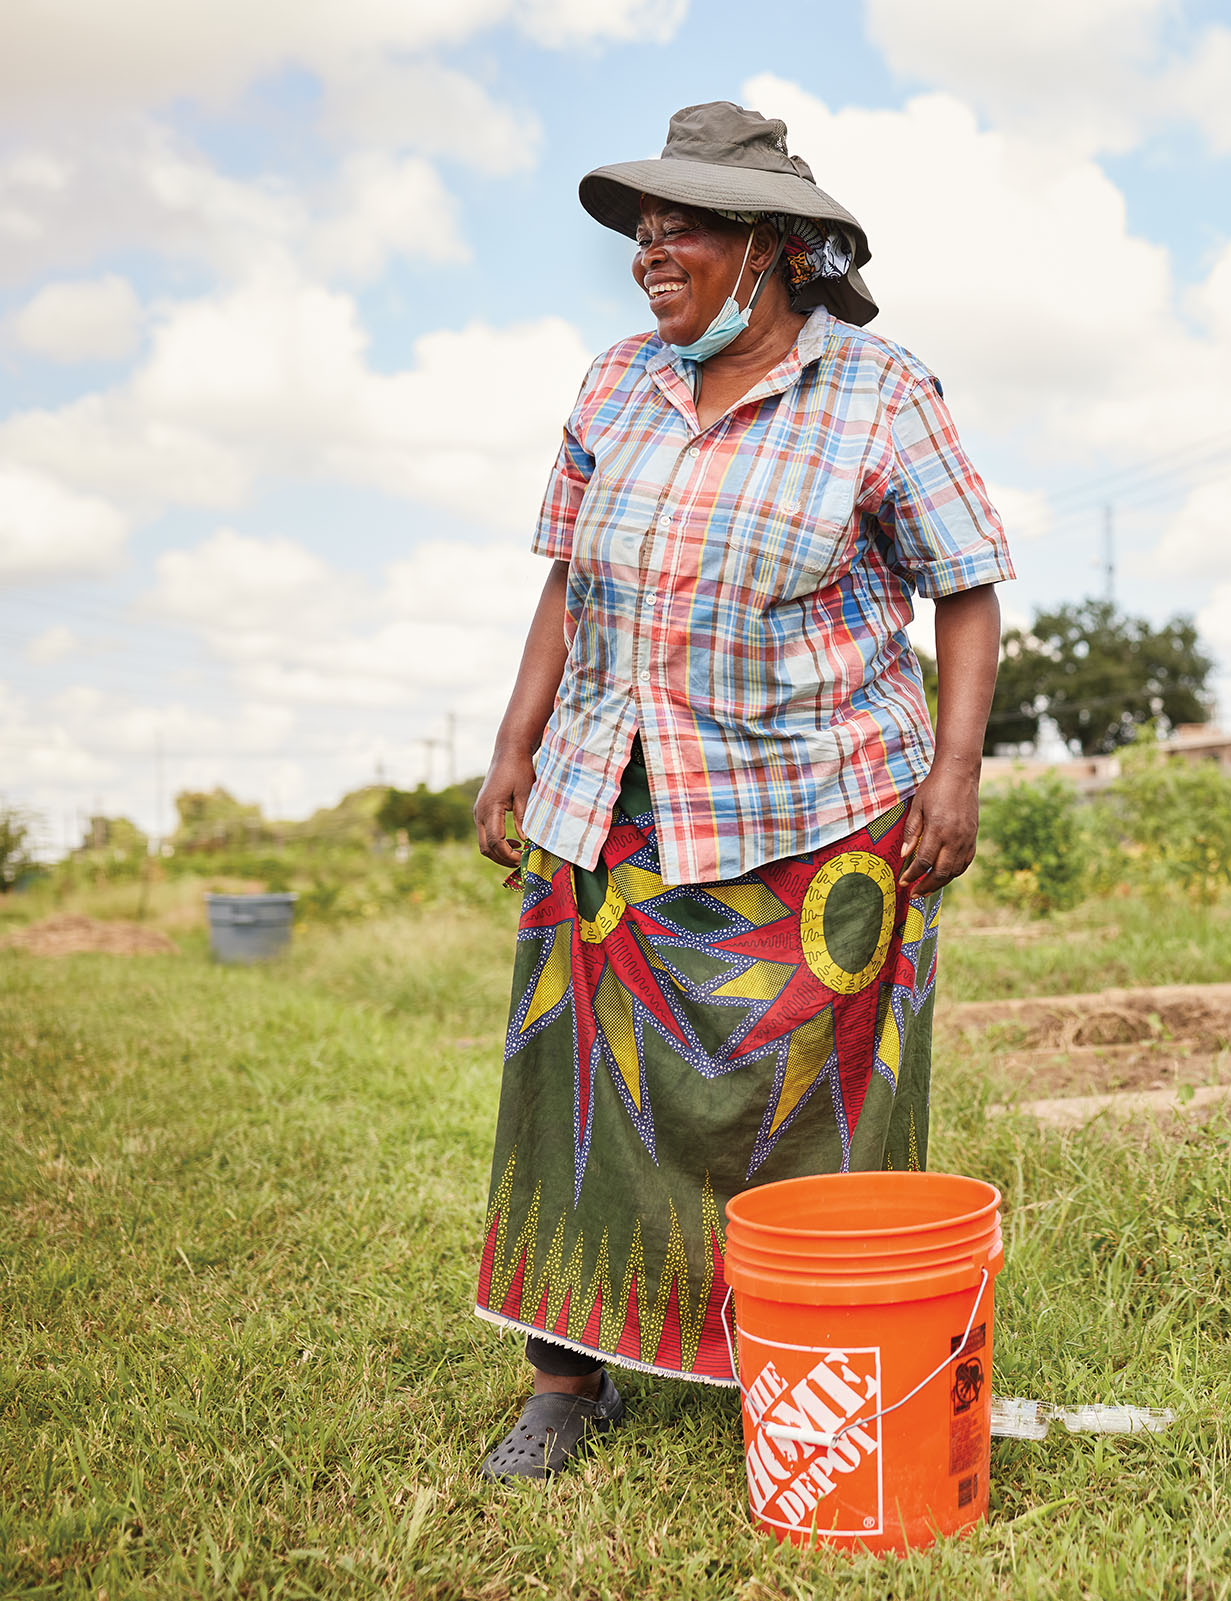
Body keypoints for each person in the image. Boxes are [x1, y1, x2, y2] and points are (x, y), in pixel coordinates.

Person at [467, 102, 1010, 1479]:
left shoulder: (882, 394)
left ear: (772, 249)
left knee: (820, 1104)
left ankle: (821, 1354)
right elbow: (565, 577)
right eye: (643, 227)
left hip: (820, 810)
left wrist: (954, 773)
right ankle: (565, 1379)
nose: (652, 247)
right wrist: (517, 743)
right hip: (615, 798)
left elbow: (966, 589)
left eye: (684, 223)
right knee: (579, 1086)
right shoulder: (611, 387)